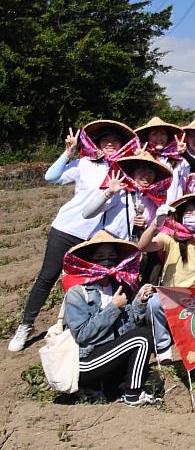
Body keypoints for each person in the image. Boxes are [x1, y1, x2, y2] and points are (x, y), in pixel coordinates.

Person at [9, 120, 137, 352]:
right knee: (48, 277)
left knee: (83, 284)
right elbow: (51, 177)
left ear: (122, 145)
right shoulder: (85, 164)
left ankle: (74, 326)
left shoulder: (125, 172)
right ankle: (25, 325)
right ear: (97, 144)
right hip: (67, 229)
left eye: (115, 140)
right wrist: (67, 153)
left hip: (95, 238)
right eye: (105, 140)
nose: (110, 144)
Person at [62, 231, 157, 406]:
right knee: (143, 337)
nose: (107, 260)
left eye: (112, 256)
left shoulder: (118, 288)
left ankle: (115, 388)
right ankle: (132, 394)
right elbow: (83, 335)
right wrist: (113, 307)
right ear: (90, 260)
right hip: (86, 361)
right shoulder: (77, 293)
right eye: (100, 256)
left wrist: (139, 301)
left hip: (110, 355)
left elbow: (128, 329)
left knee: (143, 340)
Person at [137, 193, 195, 362]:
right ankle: (162, 346)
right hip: (169, 293)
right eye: (189, 213)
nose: (194, 217)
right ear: (180, 216)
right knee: (153, 304)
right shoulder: (170, 237)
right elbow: (143, 246)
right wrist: (156, 224)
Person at [81, 152, 173, 242]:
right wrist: (108, 193)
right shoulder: (120, 191)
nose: (146, 176)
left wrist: (143, 227)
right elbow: (87, 214)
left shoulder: (153, 201)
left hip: (128, 251)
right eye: (142, 171)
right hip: (105, 244)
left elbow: (153, 233)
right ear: (132, 172)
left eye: (150, 172)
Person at [134, 117, 195, 203]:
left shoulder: (176, 158)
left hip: (174, 209)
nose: (159, 138)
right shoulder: (141, 159)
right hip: (148, 211)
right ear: (147, 137)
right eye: (154, 134)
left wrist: (184, 154)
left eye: (163, 134)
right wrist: (140, 158)